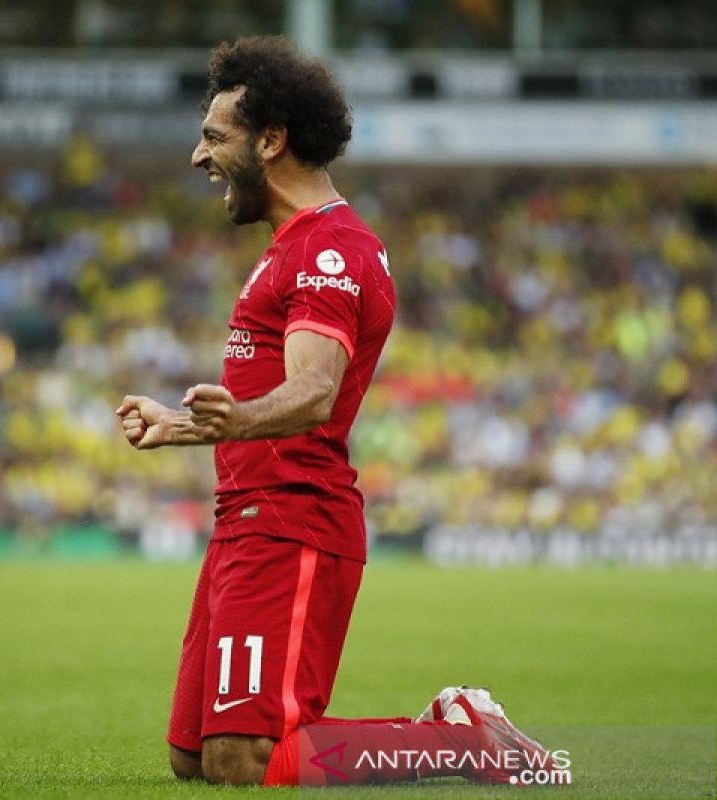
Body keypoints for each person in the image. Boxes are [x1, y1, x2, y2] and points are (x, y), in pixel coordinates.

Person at [116, 36, 557, 788]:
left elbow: (315, 390)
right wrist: (184, 424)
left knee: (244, 758)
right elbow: (273, 396)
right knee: (194, 756)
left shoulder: (330, 252)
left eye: (214, 138)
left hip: (292, 519)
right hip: (245, 517)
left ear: (272, 140)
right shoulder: (293, 247)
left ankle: (460, 741)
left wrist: (230, 422)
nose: (199, 158)